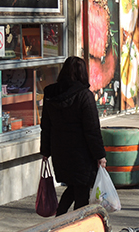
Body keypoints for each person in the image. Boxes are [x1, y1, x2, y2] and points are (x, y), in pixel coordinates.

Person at [40, 56, 107, 216]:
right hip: (81, 154)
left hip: (60, 152)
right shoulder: (84, 96)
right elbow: (92, 130)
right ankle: (75, 226)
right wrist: (100, 155)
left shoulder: (50, 95)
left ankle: (59, 218)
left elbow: (46, 126)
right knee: (81, 193)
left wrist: (45, 151)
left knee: (73, 186)